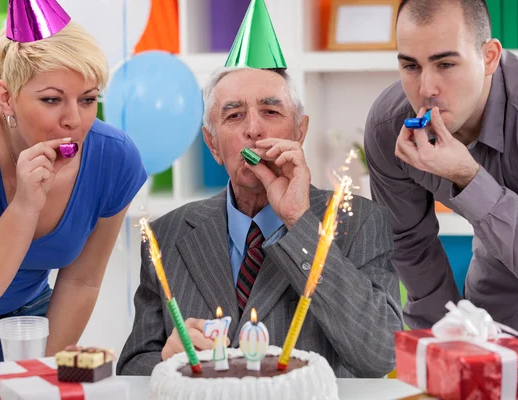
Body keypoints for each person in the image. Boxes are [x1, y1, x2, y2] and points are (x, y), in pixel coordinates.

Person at [118, 61, 403, 378]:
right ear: (213, 145)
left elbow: (382, 355)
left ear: (299, 132)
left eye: (270, 111)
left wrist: (299, 223)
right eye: (234, 115)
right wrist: (167, 362)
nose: (253, 129)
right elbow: (132, 367)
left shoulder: (360, 221)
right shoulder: (166, 235)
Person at [0, 0, 147, 373]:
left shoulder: (115, 159)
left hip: (27, 322)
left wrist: (42, 376)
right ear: (6, 97)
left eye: (89, 100)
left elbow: (81, 281)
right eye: (51, 100)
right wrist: (25, 206)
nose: (73, 120)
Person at [364, 0, 518, 331]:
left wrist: (469, 178)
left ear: (489, 57)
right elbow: (411, 247)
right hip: (494, 314)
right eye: (411, 66)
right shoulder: (388, 127)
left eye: (446, 64)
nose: (426, 90)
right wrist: (450, 347)